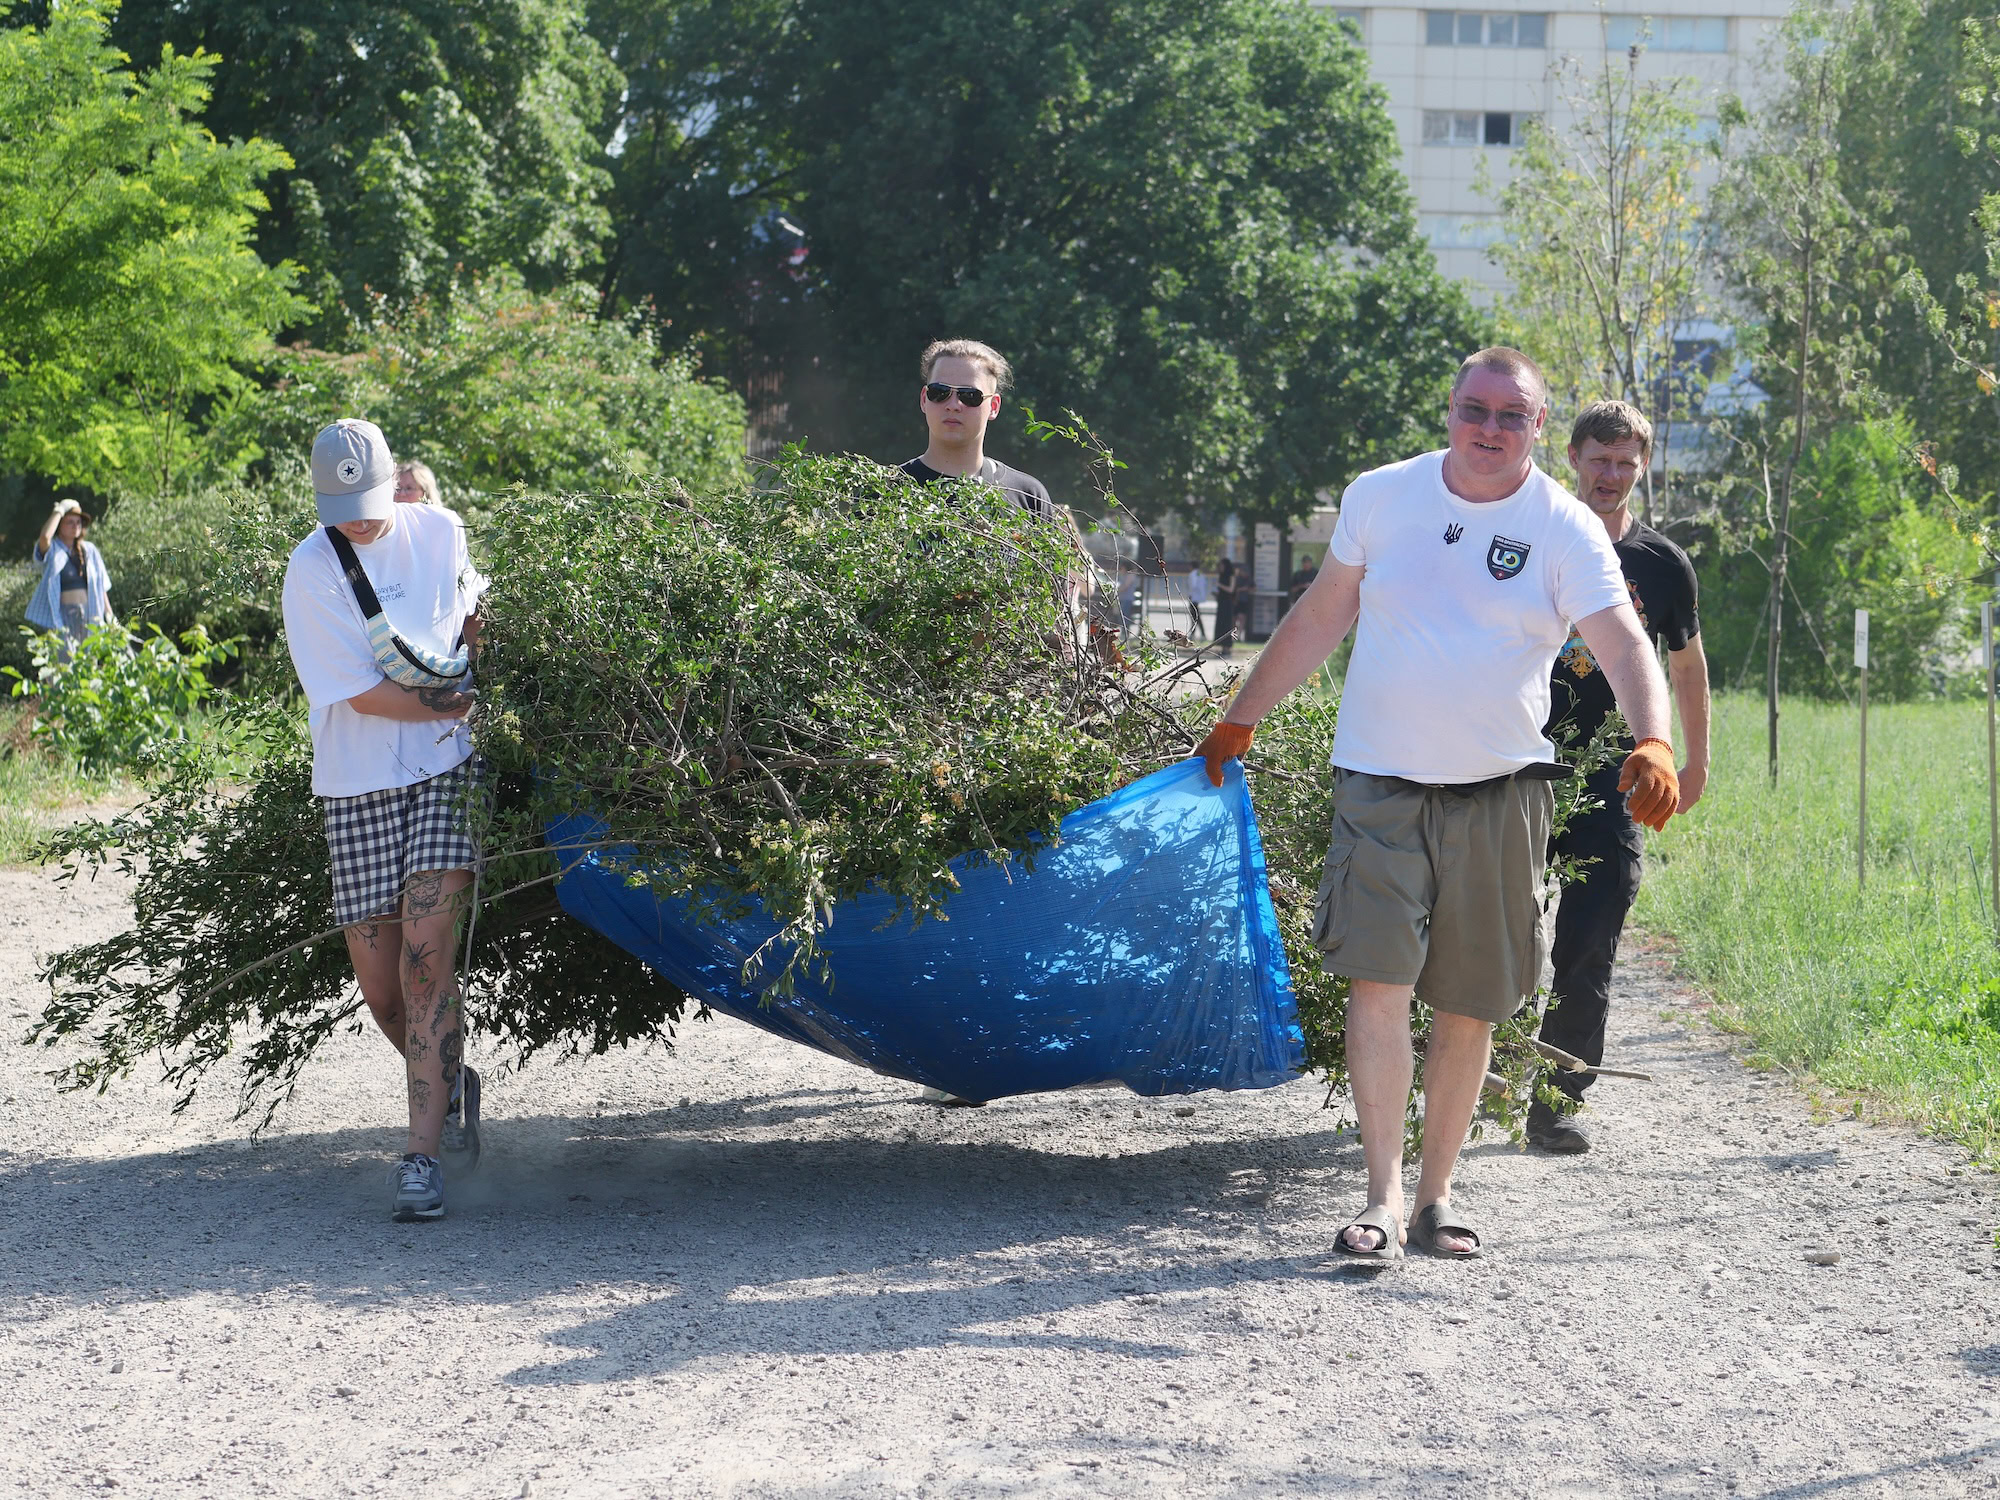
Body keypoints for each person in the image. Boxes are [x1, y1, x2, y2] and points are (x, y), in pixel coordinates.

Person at [1193, 347, 1679, 1261]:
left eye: (1511, 415)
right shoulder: (1382, 495)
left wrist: (1653, 739)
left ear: (1540, 426)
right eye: (1474, 409)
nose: (1489, 429)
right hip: (1379, 781)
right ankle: (1380, 1198)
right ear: (1450, 409)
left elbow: (1623, 643)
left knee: (1469, 1001)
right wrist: (1240, 716)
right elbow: (1323, 611)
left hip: (1503, 792)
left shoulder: (1565, 526)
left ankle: (1436, 1197)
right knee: (1378, 982)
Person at [281, 418, 488, 1221]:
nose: (359, 524)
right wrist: (452, 698)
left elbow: (472, 616)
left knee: (426, 961)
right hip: (356, 784)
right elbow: (363, 696)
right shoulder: (312, 566)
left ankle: (421, 1159)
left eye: (368, 507)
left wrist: (477, 654)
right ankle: (449, 1077)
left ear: (393, 481)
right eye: (342, 512)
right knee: (381, 989)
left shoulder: (440, 530)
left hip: (445, 767)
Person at [1531, 399, 1709, 1153]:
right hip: (1515, 763)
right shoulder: (1532, 535)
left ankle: (1556, 1097)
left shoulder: (1661, 564)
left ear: (1643, 467)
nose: (1610, 474)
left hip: (1615, 776)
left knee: (1592, 936)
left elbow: (1686, 666)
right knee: (1496, 929)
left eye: (1625, 463)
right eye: (1598, 459)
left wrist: (1692, 760)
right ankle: (1475, 1077)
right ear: (1572, 457)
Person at [26, 500, 115, 651]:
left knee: (89, 662)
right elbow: (45, 537)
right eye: (70, 522)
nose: (75, 526)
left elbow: (101, 588)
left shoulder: (90, 550)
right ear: (59, 525)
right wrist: (59, 510)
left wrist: (110, 617)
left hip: (91, 614)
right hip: (63, 616)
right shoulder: (53, 550)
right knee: (64, 661)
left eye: (78, 522)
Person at [1215, 555, 1240, 651]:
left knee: (1227, 624)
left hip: (1227, 602)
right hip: (1221, 601)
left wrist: (1220, 585)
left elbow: (1231, 589)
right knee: (1221, 623)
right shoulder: (1221, 575)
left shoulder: (1231, 576)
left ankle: (1227, 646)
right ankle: (1222, 645)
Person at [1186, 563, 1210, 640]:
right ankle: (1196, 633)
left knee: (1195, 616)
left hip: (1193, 597)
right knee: (1196, 616)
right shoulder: (1200, 574)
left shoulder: (1193, 574)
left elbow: (1193, 585)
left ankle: (1197, 634)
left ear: (1191, 566)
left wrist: (1190, 594)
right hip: (1198, 597)